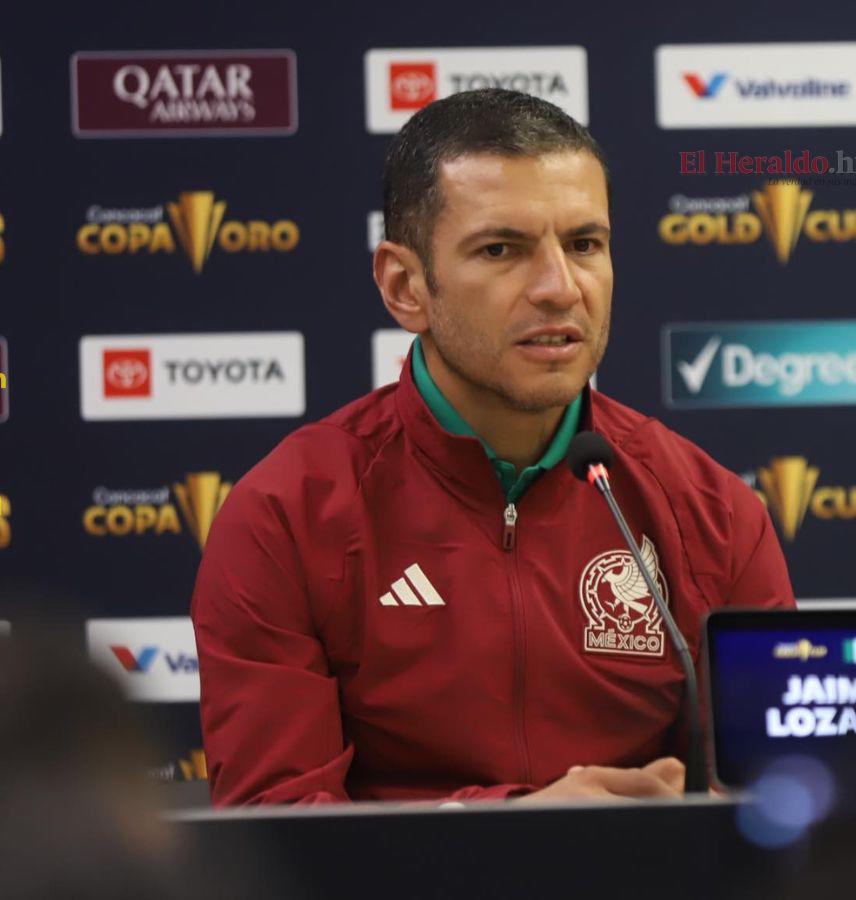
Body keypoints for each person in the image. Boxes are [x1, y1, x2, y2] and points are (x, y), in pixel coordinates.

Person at [192, 88, 795, 806]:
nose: (559, 288)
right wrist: (511, 828)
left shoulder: (712, 510)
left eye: (584, 245)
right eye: (501, 250)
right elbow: (276, 837)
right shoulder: (286, 515)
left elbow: (777, 805)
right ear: (404, 286)